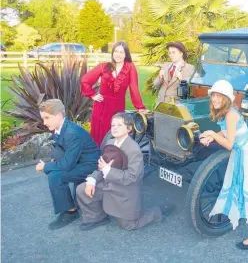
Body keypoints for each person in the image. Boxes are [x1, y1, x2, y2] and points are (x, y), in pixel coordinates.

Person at [199, 80, 248, 258]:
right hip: (246, 152)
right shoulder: (224, 114)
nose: (215, 99)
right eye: (214, 95)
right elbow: (226, 133)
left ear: (227, 99)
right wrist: (213, 136)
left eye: (219, 96)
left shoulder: (230, 114)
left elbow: (228, 144)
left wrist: (211, 134)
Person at [76, 112, 174, 231]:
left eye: (119, 125)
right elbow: (101, 166)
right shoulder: (110, 143)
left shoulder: (133, 149)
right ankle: (97, 217)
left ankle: (156, 213)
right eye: (113, 125)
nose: (115, 128)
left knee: (128, 225)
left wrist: (108, 170)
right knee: (82, 189)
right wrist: (92, 179)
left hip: (123, 191)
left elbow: (133, 177)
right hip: (108, 184)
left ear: (129, 129)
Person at [35, 99, 100, 230]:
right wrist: (54, 159)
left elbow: (66, 165)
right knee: (55, 173)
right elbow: (60, 146)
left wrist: (46, 166)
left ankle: (71, 212)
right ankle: (71, 206)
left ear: (59, 115)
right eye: (43, 118)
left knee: (55, 176)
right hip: (79, 161)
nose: (44, 122)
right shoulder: (60, 127)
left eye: (47, 118)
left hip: (90, 165)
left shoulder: (71, 132)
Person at [81, 41, 147, 147]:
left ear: (126, 54)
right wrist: (92, 94)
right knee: (99, 136)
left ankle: (113, 159)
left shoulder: (130, 68)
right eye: (116, 51)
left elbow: (134, 88)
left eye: (121, 52)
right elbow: (85, 80)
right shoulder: (104, 67)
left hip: (117, 108)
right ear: (112, 53)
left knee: (115, 134)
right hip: (101, 107)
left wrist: (140, 107)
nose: (118, 54)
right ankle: (98, 159)